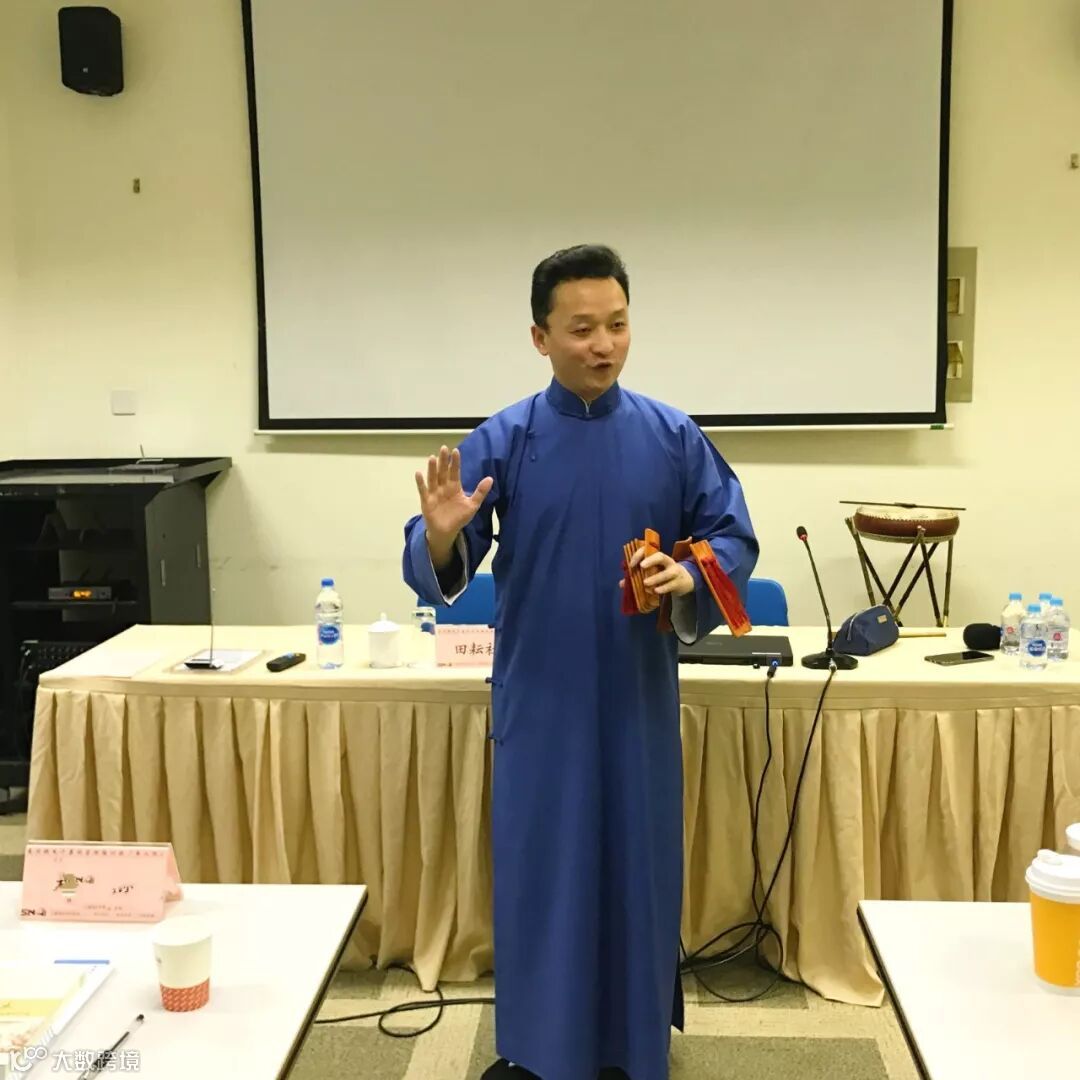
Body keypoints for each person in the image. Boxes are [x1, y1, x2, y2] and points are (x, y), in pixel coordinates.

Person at [402, 244, 758, 1080]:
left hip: (637, 698)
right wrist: (445, 536)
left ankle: (634, 1047)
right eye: (583, 329)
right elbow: (438, 548)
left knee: (637, 870)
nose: (604, 345)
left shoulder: (672, 436)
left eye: (618, 325)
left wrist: (691, 574)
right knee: (546, 874)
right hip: (542, 699)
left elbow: (731, 537)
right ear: (541, 337)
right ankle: (542, 1053)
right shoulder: (507, 437)